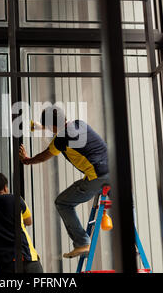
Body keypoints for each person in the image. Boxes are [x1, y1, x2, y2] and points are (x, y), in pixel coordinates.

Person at [19, 106, 109, 259]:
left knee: (62, 202)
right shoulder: (80, 124)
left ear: (51, 126)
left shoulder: (61, 140)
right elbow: (62, 129)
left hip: (97, 177)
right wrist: (40, 127)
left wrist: (27, 160)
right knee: (126, 205)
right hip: (114, 171)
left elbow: (44, 156)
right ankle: (131, 241)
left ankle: (82, 243)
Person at [0, 173, 43, 273]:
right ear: (5, 188)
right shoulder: (16, 199)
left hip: (4, 266)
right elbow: (29, 221)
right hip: (28, 260)